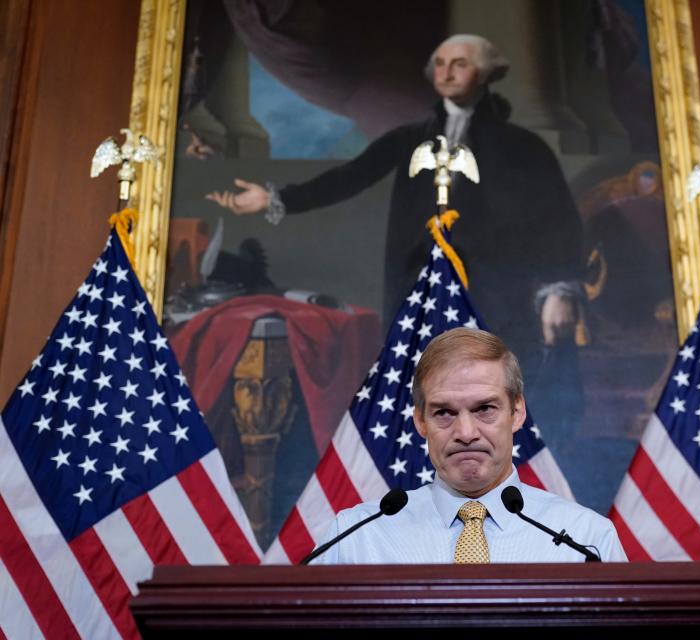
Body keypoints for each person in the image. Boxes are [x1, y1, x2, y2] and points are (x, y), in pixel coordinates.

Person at [206, 34, 585, 370]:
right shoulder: (409, 139)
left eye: (460, 64)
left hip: (497, 292)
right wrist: (276, 198)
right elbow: (349, 178)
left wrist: (559, 291)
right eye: (440, 64)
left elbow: (557, 220)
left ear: (485, 74)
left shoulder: (523, 147)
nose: (447, 72)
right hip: (420, 286)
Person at [309, 327, 626, 564]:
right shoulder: (353, 539)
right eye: (444, 412)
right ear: (420, 421)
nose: (465, 432)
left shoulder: (587, 541)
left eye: (484, 409)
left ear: (517, 413)